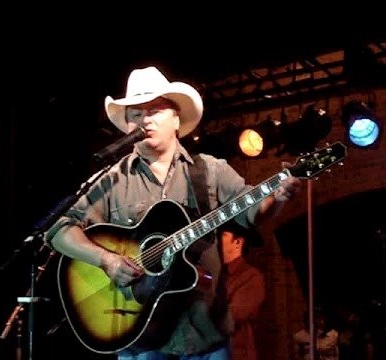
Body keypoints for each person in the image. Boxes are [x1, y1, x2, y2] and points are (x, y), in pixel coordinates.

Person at [45, 66, 302, 360]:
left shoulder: (210, 170)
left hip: (204, 330)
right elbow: (58, 229)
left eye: (154, 110)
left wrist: (278, 197)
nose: (145, 120)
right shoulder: (111, 179)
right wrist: (106, 259)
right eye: (136, 114)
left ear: (177, 118)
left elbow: (253, 211)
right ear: (128, 126)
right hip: (138, 335)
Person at [210, 221, 266, 360]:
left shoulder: (251, 277)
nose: (216, 241)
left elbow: (232, 318)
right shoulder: (215, 272)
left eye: (223, 235)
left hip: (234, 353)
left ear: (238, 242)